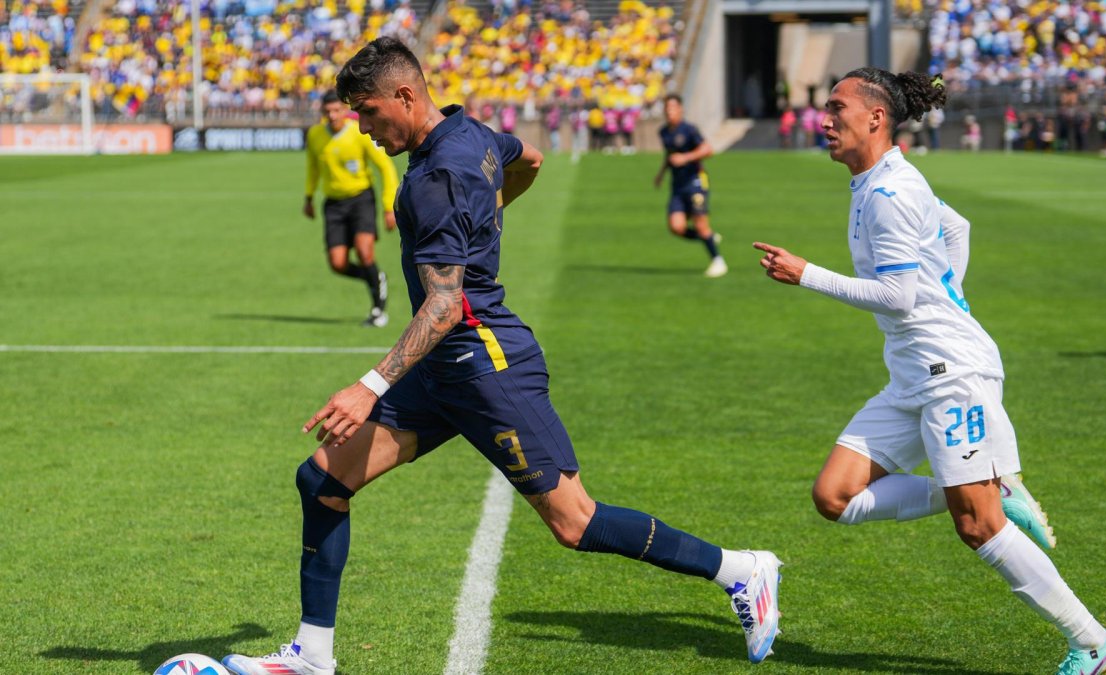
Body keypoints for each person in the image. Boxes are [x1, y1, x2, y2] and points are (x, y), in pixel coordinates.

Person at [222, 37, 782, 675]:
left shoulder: (435, 177)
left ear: (406, 97)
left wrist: (368, 386)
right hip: (442, 366)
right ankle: (311, 657)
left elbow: (441, 306)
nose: (364, 127)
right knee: (322, 479)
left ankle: (741, 570)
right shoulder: (470, 131)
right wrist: (481, 222)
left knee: (575, 522)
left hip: (484, 361)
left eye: (370, 113)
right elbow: (531, 160)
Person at [752, 67, 1106, 675]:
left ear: (875, 118)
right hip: (912, 374)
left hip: (951, 373)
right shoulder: (880, 180)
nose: (823, 120)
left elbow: (897, 297)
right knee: (835, 496)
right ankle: (993, 487)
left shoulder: (890, 194)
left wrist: (807, 274)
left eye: (836, 108)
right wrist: (950, 294)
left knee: (978, 527)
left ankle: (1091, 640)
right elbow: (956, 228)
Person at [305, 90, 400, 327]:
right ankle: (375, 278)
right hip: (334, 204)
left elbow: (386, 168)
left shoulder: (359, 135)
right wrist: (308, 196)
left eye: (336, 110)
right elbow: (312, 168)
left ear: (344, 111)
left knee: (364, 251)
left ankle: (378, 309)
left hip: (361, 199)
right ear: (322, 112)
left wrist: (389, 206)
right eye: (328, 112)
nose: (332, 115)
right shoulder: (315, 135)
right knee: (337, 263)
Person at [654, 94, 727, 278]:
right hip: (677, 185)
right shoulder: (664, 132)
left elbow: (707, 150)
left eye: (673, 108)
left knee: (701, 224)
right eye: (667, 109)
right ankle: (709, 238)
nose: (670, 112)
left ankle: (718, 261)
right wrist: (661, 174)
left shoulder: (689, 130)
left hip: (695, 182)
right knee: (676, 227)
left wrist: (685, 158)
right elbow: (670, 155)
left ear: (680, 109)